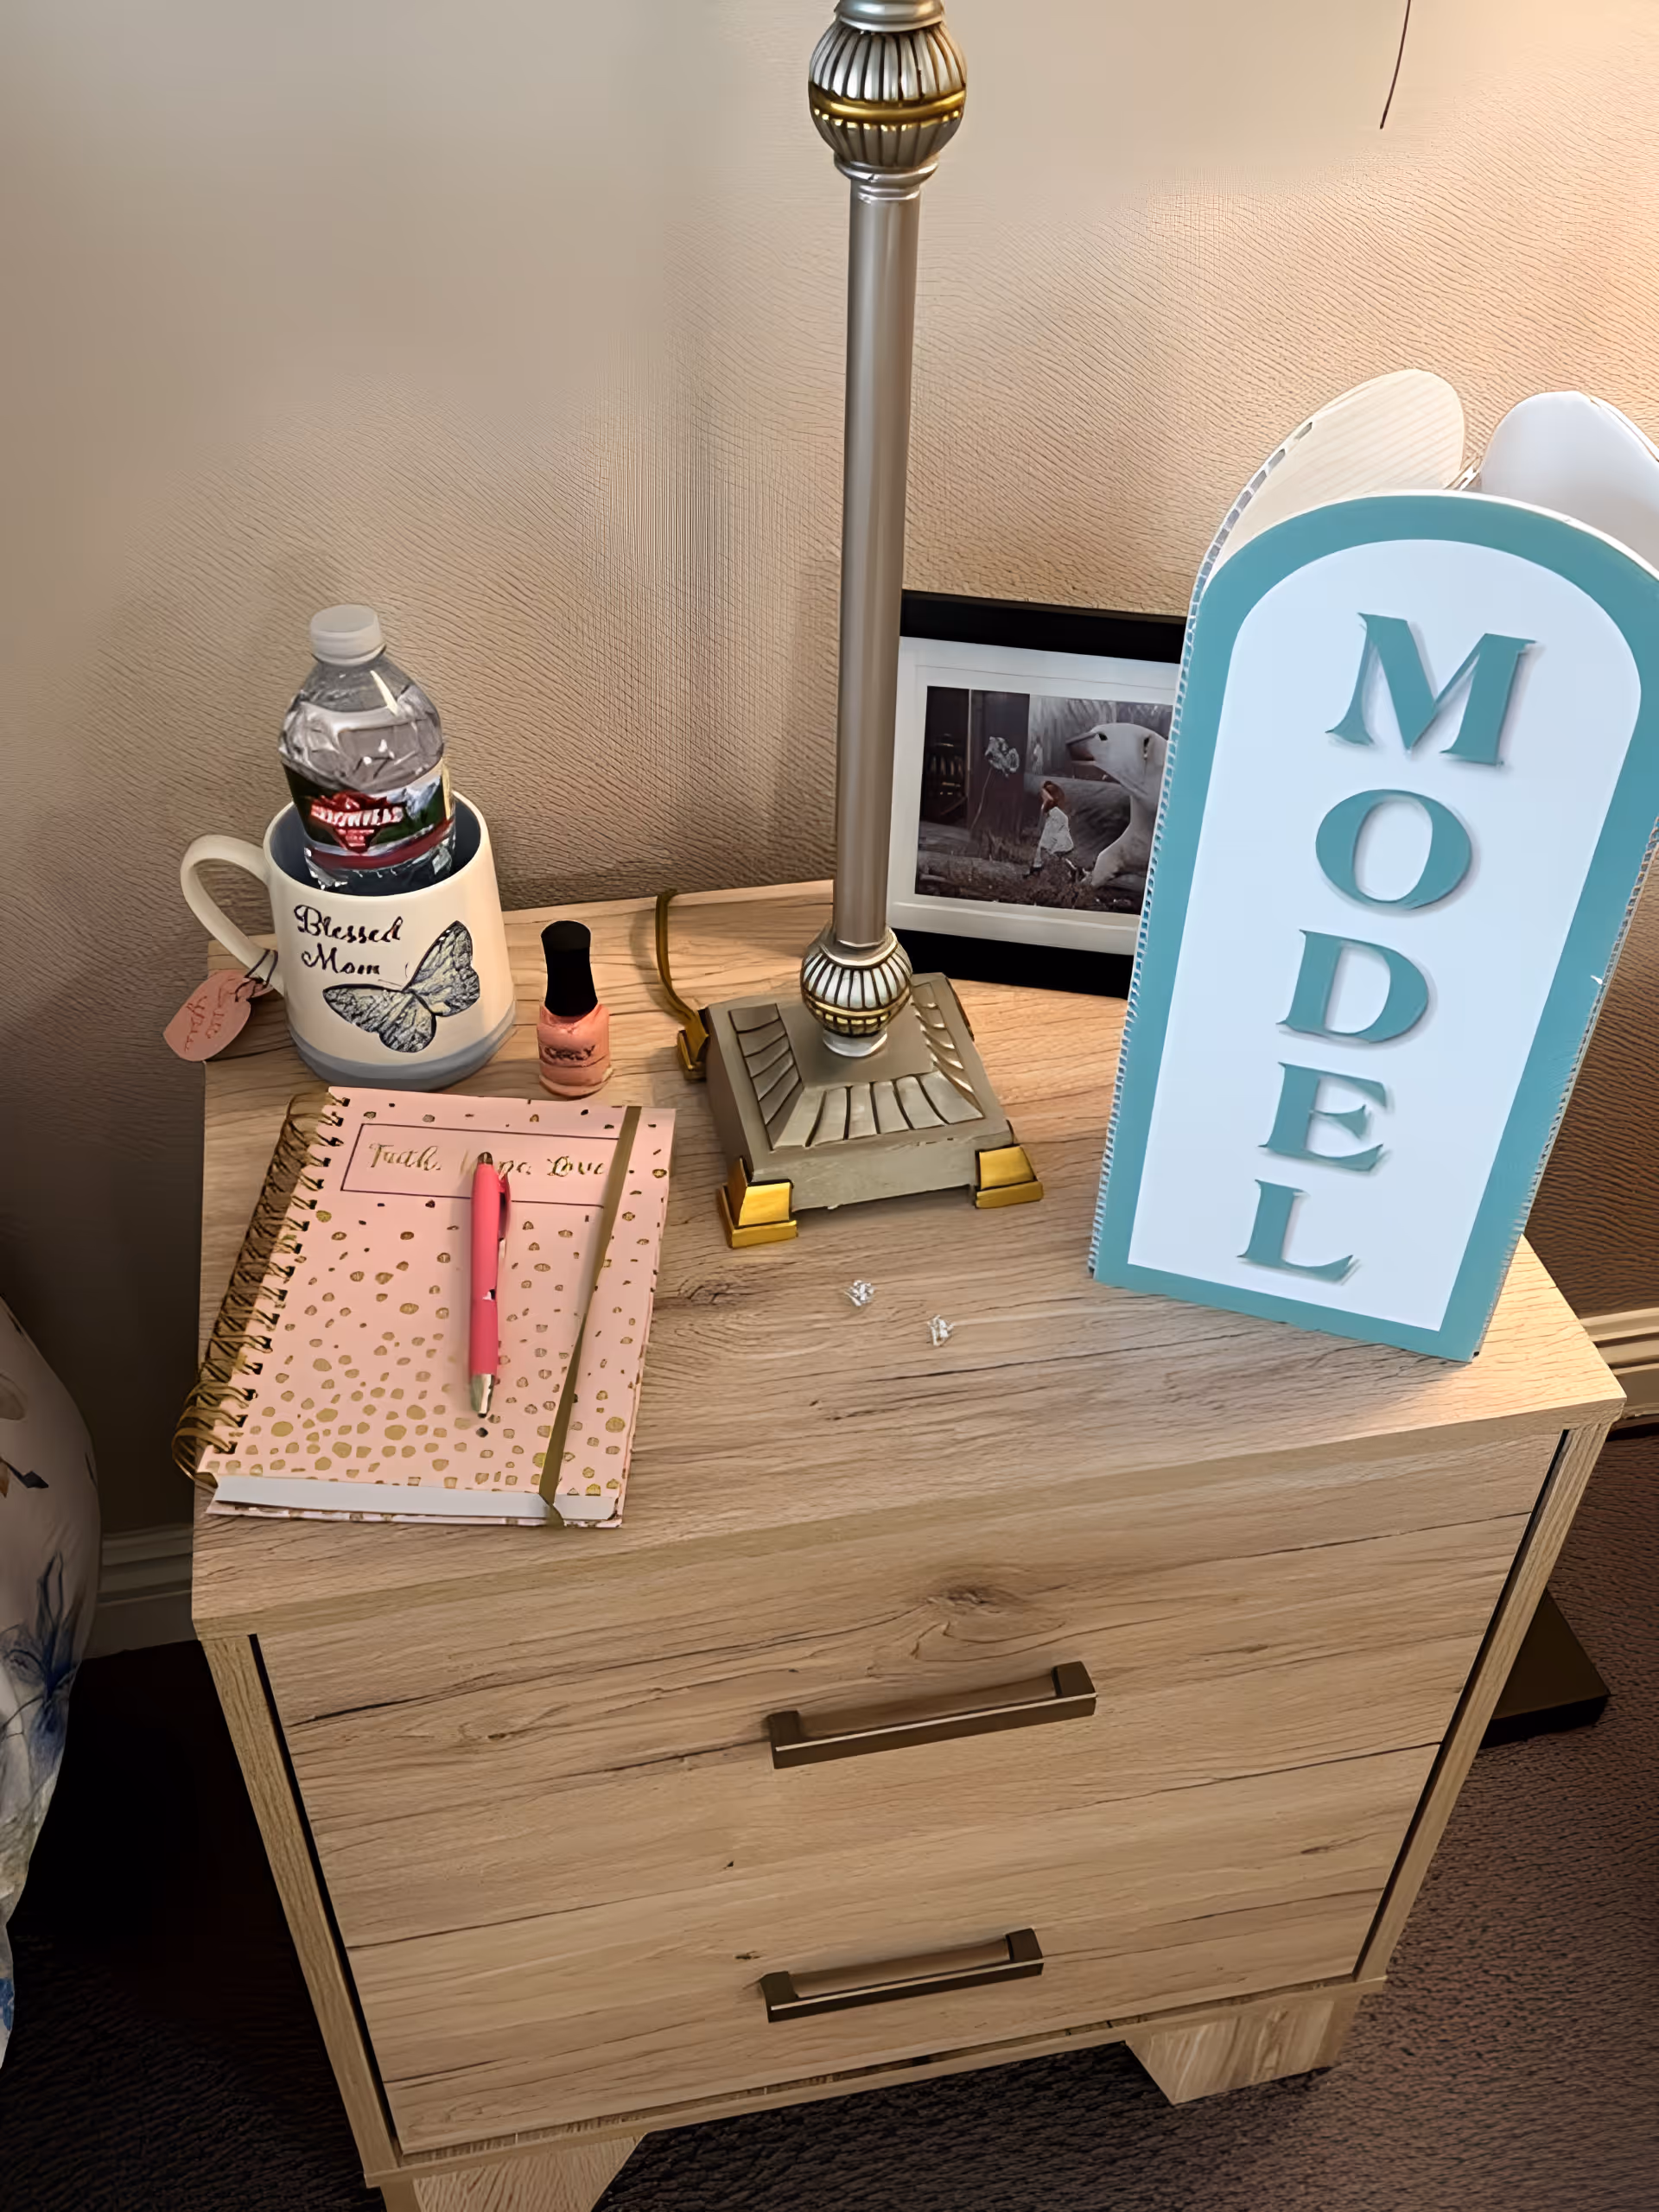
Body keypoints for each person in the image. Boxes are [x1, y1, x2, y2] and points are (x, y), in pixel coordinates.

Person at [1027, 780, 1078, 878]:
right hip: (1059, 825)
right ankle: (1072, 869)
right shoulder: (1055, 811)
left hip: (1056, 822)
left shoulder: (1052, 810)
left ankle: (1037, 868)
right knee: (1055, 852)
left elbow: (1049, 800)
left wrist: (1043, 790)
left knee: (1047, 848)